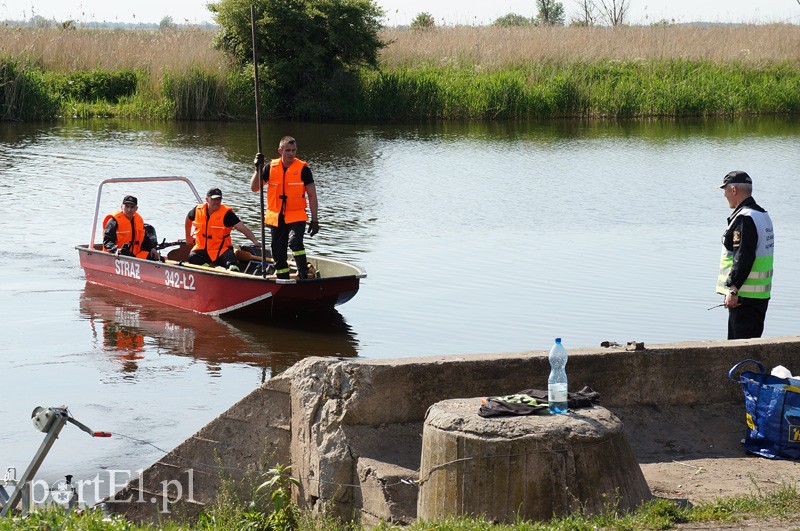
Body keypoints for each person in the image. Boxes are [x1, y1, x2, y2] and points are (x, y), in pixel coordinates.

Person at [251, 136, 319, 280]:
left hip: (296, 216)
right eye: (288, 150)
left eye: (294, 150)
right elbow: (255, 187)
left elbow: (312, 195)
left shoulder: (303, 169)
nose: (291, 154)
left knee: (295, 242)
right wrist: (258, 168)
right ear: (280, 151)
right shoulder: (270, 167)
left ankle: (303, 273)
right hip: (276, 217)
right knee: (278, 253)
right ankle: (283, 279)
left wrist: (314, 220)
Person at [716, 170, 774, 340]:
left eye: (725, 190)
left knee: (739, 352)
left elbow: (743, 256)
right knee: (749, 347)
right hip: (758, 296)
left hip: (743, 297)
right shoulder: (762, 215)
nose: (724, 195)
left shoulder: (745, 218)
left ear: (733, 190)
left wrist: (733, 289)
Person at [185, 187, 261, 271]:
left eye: (219, 199)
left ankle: (232, 274)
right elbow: (188, 219)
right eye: (214, 199)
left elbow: (243, 228)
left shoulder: (227, 214)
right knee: (192, 258)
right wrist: (188, 236)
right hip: (202, 250)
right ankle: (209, 269)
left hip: (221, 251)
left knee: (233, 265)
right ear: (207, 199)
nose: (217, 202)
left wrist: (255, 241)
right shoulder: (197, 210)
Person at [103, 195, 159, 260]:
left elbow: (144, 238)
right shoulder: (113, 221)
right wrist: (115, 249)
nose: (129, 209)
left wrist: (151, 248)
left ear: (136, 208)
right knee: (125, 253)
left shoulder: (139, 221)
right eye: (126, 206)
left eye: (132, 207)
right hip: (118, 256)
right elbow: (107, 241)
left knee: (156, 258)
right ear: (121, 207)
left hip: (135, 256)